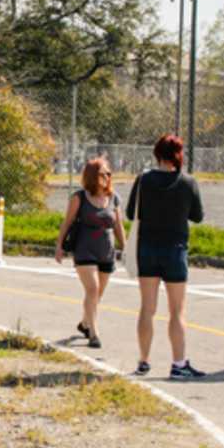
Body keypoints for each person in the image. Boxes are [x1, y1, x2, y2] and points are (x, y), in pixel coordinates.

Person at [126, 133, 205, 379]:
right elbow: (198, 216)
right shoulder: (188, 182)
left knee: (147, 308)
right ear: (179, 155)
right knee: (177, 311)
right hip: (175, 249)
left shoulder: (143, 180)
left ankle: (143, 360)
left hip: (147, 248)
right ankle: (179, 364)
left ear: (157, 153)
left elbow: (131, 213)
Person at [56, 157, 126, 349]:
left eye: (109, 174)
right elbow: (67, 222)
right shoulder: (79, 197)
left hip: (106, 252)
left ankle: (85, 323)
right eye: (104, 173)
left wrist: (126, 249)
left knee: (97, 294)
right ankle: (94, 334)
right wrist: (59, 245)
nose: (108, 177)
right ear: (93, 176)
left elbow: (119, 227)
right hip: (84, 250)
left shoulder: (114, 198)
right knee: (92, 289)